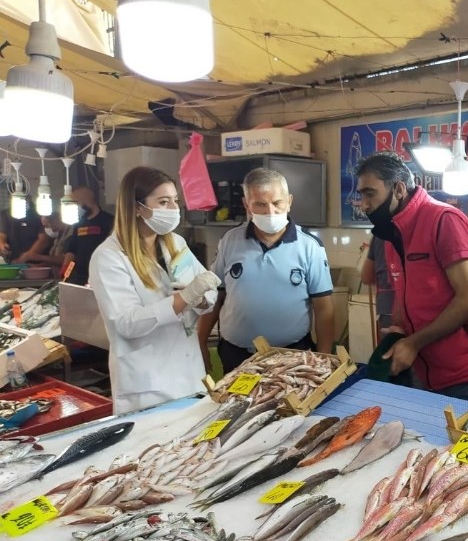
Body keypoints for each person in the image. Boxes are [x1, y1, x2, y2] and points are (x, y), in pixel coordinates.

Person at [355, 151, 468, 402]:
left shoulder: (444, 221)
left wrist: (414, 343)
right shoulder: (392, 234)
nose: (364, 204)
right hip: (429, 371)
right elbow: (403, 293)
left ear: (397, 189)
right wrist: (400, 330)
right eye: (361, 195)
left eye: (370, 193)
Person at [90, 167, 220, 415]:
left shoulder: (175, 243)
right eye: (163, 202)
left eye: (175, 201)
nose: (173, 209)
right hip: (147, 385)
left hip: (189, 373)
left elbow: (207, 292)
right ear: (137, 207)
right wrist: (184, 298)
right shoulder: (109, 257)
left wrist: (201, 298)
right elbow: (128, 323)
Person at [197, 168, 336, 373]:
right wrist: (200, 343)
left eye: (277, 203)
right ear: (247, 205)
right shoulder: (230, 241)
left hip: (292, 357)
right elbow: (215, 297)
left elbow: (324, 308)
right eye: (260, 205)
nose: (270, 212)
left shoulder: (310, 246)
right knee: (235, 405)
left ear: (289, 201)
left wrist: (324, 359)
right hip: (236, 356)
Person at [62, 187, 114, 285]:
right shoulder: (79, 224)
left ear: (85, 201)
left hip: (102, 278)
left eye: (76, 203)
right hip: (80, 278)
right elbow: (71, 252)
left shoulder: (109, 221)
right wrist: (65, 275)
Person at [360, 236, 396, 334]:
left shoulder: (379, 234)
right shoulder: (423, 228)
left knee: (391, 347)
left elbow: (366, 276)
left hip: (388, 307)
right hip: (420, 309)